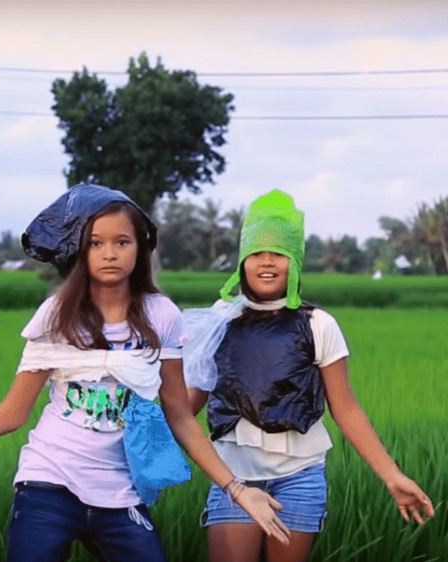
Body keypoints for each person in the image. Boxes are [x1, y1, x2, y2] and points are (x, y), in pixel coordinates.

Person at [0, 184, 289, 562]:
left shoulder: (161, 316)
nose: (110, 254)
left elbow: (179, 415)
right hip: (48, 483)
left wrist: (238, 490)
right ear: (79, 250)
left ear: (140, 249)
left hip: (119, 490)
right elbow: (12, 412)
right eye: (96, 243)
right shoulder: (56, 317)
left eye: (122, 242)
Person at [183, 190, 434, 562]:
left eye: (279, 254)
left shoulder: (318, 324)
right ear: (241, 262)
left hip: (299, 477)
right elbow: (182, 410)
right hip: (233, 477)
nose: (267, 263)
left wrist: (392, 477)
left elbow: (346, 409)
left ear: (295, 261)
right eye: (256, 253)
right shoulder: (220, 321)